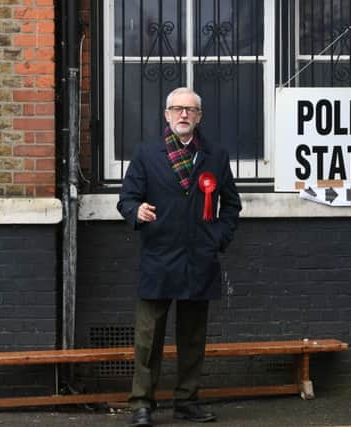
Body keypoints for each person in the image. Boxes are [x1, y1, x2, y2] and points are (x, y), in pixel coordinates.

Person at [117, 87, 242, 426]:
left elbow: (231, 204)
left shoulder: (216, 155)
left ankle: (187, 401)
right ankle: (142, 404)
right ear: (166, 115)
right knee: (147, 339)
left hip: (199, 259)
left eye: (190, 109)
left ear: (199, 116)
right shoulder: (146, 153)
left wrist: (217, 237)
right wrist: (135, 211)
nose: (183, 115)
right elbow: (126, 198)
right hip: (158, 257)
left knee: (192, 338)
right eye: (177, 109)